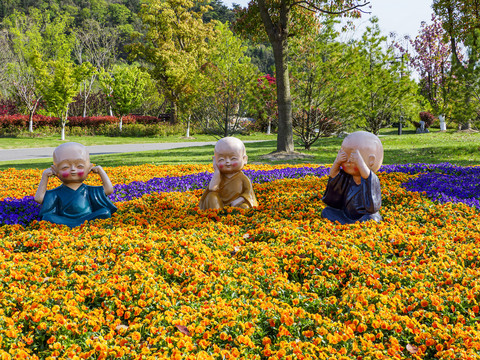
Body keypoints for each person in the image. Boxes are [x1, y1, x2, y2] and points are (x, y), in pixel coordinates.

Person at [34, 142, 117, 227]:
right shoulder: (56, 193)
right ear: (55, 170)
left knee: (105, 212)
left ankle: (74, 225)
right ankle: (74, 224)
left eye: (79, 166)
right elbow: (39, 199)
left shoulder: (89, 191)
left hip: (87, 218)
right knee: (47, 217)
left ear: (89, 168)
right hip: (64, 219)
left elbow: (109, 190)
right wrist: (45, 177)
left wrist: (100, 171)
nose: (73, 169)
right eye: (65, 167)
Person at [321, 131, 383, 224]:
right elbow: (333, 175)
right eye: (344, 156)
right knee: (327, 212)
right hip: (346, 215)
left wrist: (360, 163)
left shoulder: (371, 180)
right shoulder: (346, 178)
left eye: (354, 157)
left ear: (371, 161)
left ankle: (353, 224)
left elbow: (367, 177)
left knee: (371, 218)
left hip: (364, 217)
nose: (348, 161)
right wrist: (337, 162)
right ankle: (348, 223)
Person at [199, 137, 258, 210]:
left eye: (233, 158)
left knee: (245, 207)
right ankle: (217, 215)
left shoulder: (243, 179)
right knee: (211, 196)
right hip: (219, 205)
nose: (227, 162)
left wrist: (239, 200)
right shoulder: (219, 177)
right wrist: (217, 172)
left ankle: (235, 218)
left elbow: (248, 194)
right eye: (221, 159)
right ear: (215, 160)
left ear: (244, 159)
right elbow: (212, 189)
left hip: (236, 206)